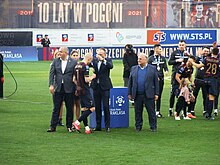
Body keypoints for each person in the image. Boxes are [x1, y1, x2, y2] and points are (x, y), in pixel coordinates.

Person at [47, 47, 77, 133]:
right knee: (56, 107)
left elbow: (76, 75)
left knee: (69, 108)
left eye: (61, 52)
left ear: (66, 53)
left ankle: (69, 126)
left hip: (69, 88)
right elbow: (51, 74)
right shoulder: (55, 61)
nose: (59, 53)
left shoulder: (73, 62)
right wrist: (51, 85)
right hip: (58, 87)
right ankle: (53, 126)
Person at [128, 53, 159, 132]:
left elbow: (156, 82)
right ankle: (138, 126)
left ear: (145, 59)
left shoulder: (152, 68)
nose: (138, 60)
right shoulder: (134, 68)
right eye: (138, 59)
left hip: (149, 94)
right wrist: (129, 93)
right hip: (137, 94)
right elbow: (130, 82)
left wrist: (156, 93)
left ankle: (153, 126)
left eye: (140, 59)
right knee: (137, 112)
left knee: (151, 111)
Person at [189, 47, 220, 120]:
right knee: (211, 97)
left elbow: (198, 66)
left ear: (211, 52)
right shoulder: (218, 61)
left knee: (206, 96)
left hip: (205, 79)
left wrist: (192, 62)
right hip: (213, 80)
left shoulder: (207, 59)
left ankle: (205, 113)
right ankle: (208, 114)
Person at [72, 53, 96, 134]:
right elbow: (86, 80)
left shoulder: (76, 65)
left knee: (84, 109)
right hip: (85, 90)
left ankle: (87, 128)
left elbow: (74, 79)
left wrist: (78, 85)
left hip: (79, 90)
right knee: (92, 108)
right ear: (89, 59)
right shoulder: (85, 66)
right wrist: (93, 77)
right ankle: (77, 122)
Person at [91, 48, 113, 132]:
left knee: (106, 106)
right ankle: (98, 125)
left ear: (104, 54)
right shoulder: (95, 61)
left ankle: (107, 126)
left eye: (101, 54)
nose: (99, 56)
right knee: (97, 106)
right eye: (98, 54)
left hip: (105, 86)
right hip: (96, 86)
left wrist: (103, 60)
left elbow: (110, 66)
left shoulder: (108, 60)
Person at [168, 40, 189, 117]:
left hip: (183, 76)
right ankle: (170, 109)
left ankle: (183, 112)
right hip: (175, 76)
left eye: (182, 45)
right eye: (180, 45)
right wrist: (177, 60)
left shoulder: (187, 53)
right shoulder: (174, 53)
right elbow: (169, 62)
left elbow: (191, 62)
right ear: (178, 45)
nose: (181, 46)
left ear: (185, 46)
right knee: (173, 93)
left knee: (183, 94)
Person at [148, 44, 168, 118]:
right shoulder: (150, 59)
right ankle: (152, 111)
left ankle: (158, 111)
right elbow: (149, 69)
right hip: (153, 80)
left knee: (159, 95)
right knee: (152, 95)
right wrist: (154, 77)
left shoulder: (162, 58)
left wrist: (166, 71)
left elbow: (165, 67)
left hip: (161, 79)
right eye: (159, 49)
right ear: (155, 49)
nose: (161, 50)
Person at [191, 47, 209, 116]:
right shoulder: (198, 58)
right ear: (202, 51)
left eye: (207, 51)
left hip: (205, 80)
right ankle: (191, 110)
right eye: (205, 51)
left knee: (205, 96)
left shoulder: (209, 59)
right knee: (194, 95)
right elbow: (193, 61)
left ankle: (205, 110)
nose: (206, 52)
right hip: (197, 79)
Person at [70, 50, 81, 120]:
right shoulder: (69, 65)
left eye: (76, 55)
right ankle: (71, 121)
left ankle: (77, 121)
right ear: (71, 56)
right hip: (71, 86)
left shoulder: (80, 65)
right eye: (74, 55)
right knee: (71, 105)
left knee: (78, 104)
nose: (75, 57)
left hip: (79, 87)